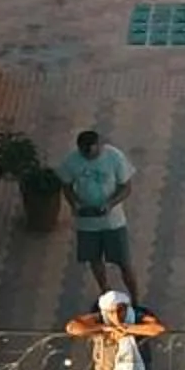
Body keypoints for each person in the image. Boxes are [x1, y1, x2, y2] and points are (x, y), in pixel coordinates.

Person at [56, 127, 140, 300]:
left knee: (124, 262)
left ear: (100, 145)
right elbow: (66, 186)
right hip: (86, 224)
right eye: (85, 154)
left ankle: (136, 299)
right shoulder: (71, 162)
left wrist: (110, 204)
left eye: (93, 153)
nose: (88, 156)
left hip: (113, 222)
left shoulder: (114, 157)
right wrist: (75, 205)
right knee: (94, 260)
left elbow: (126, 187)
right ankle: (106, 293)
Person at [65, 289, 166, 370]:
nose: (116, 315)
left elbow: (158, 328)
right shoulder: (101, 318)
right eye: (112, 312)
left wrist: (127, 329)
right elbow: (72, 327)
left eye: (120, 311)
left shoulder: (137, 316)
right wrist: (105, 328)